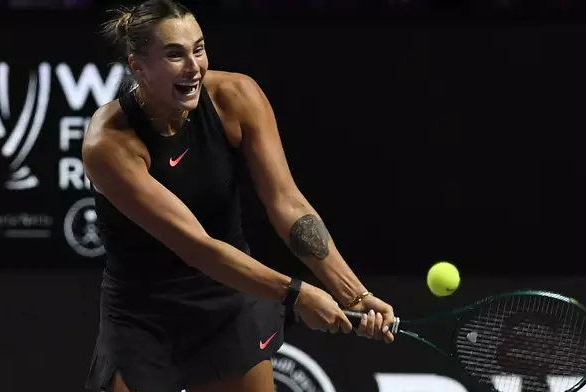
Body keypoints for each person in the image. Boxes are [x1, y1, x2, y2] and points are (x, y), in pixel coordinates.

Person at [82, 1, 396, 391]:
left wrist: (353, 293)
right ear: (138, 67)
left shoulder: (237, 97)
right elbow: (197, 248)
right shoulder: (109, 143)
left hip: (231, 295)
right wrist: (296, 294)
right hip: (143, 312)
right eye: (175, 55)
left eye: (198, 49)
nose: (194, 67)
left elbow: (288, 204)